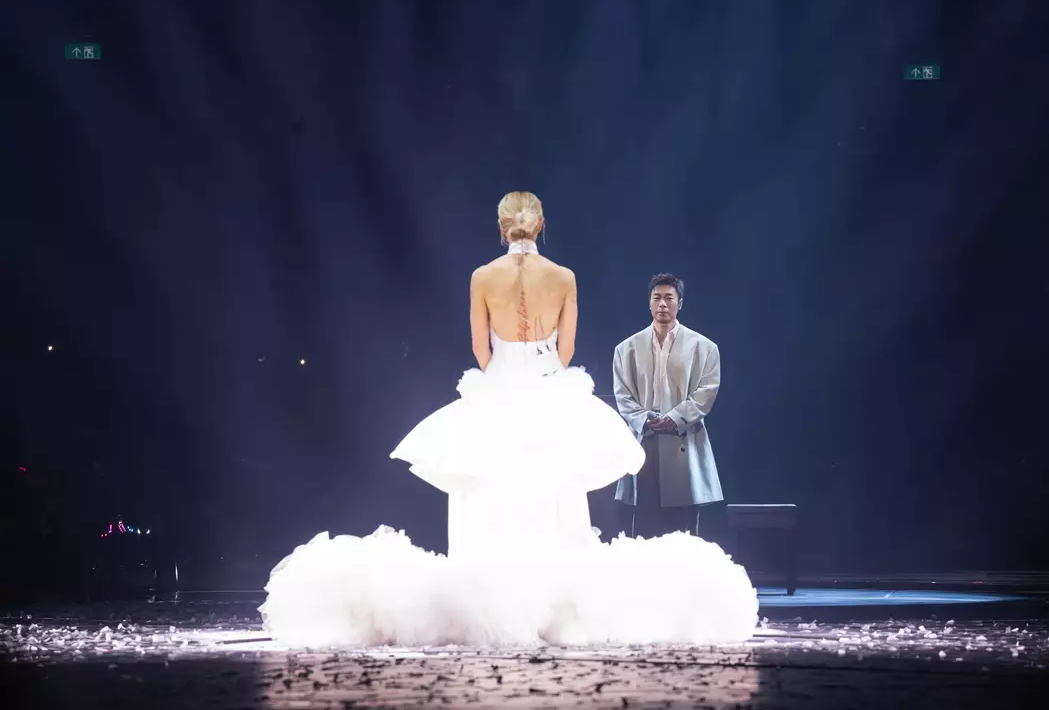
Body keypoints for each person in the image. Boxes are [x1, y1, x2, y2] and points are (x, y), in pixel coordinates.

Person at [259, 193, 758, 649]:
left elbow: (480, 350)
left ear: (502, 227)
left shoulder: (482, 277)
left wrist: (505, 366)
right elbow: (566, 351)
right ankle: (558, 607)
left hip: (497, 387)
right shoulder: (563, 277)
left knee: (487, 489)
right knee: (553, 489)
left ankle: (486, 605)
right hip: (547, 384)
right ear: (541, 225)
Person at [613, 274, 723, 538]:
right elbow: (623, 395)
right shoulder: (626, 348)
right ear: (649, 303)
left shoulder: (704, 347)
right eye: (657, 298)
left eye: (669, 298)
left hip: (683, 440)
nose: (663, 304)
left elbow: (706, 392)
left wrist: (675, 418)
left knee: (683, 528)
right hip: (645, 439)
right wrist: (645, 419)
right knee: (645, 526)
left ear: (680, 303)